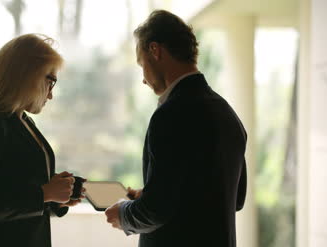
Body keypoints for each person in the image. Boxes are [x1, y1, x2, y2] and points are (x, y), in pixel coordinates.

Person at [105, 10, 247, 247]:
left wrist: (123, 215)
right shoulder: (228, 114)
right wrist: (153, 193)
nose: (143, 79)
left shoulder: (170, 115)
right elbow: (235, 199)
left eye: (142, 65)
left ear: (155, 50)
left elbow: (155, 211)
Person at [0, 34, 84, 247]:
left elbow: (18, 188)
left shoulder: (23, 122)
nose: (51, 95)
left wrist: (54, 198)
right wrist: (44, 193)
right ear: (29, 75)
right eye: (51, 81)